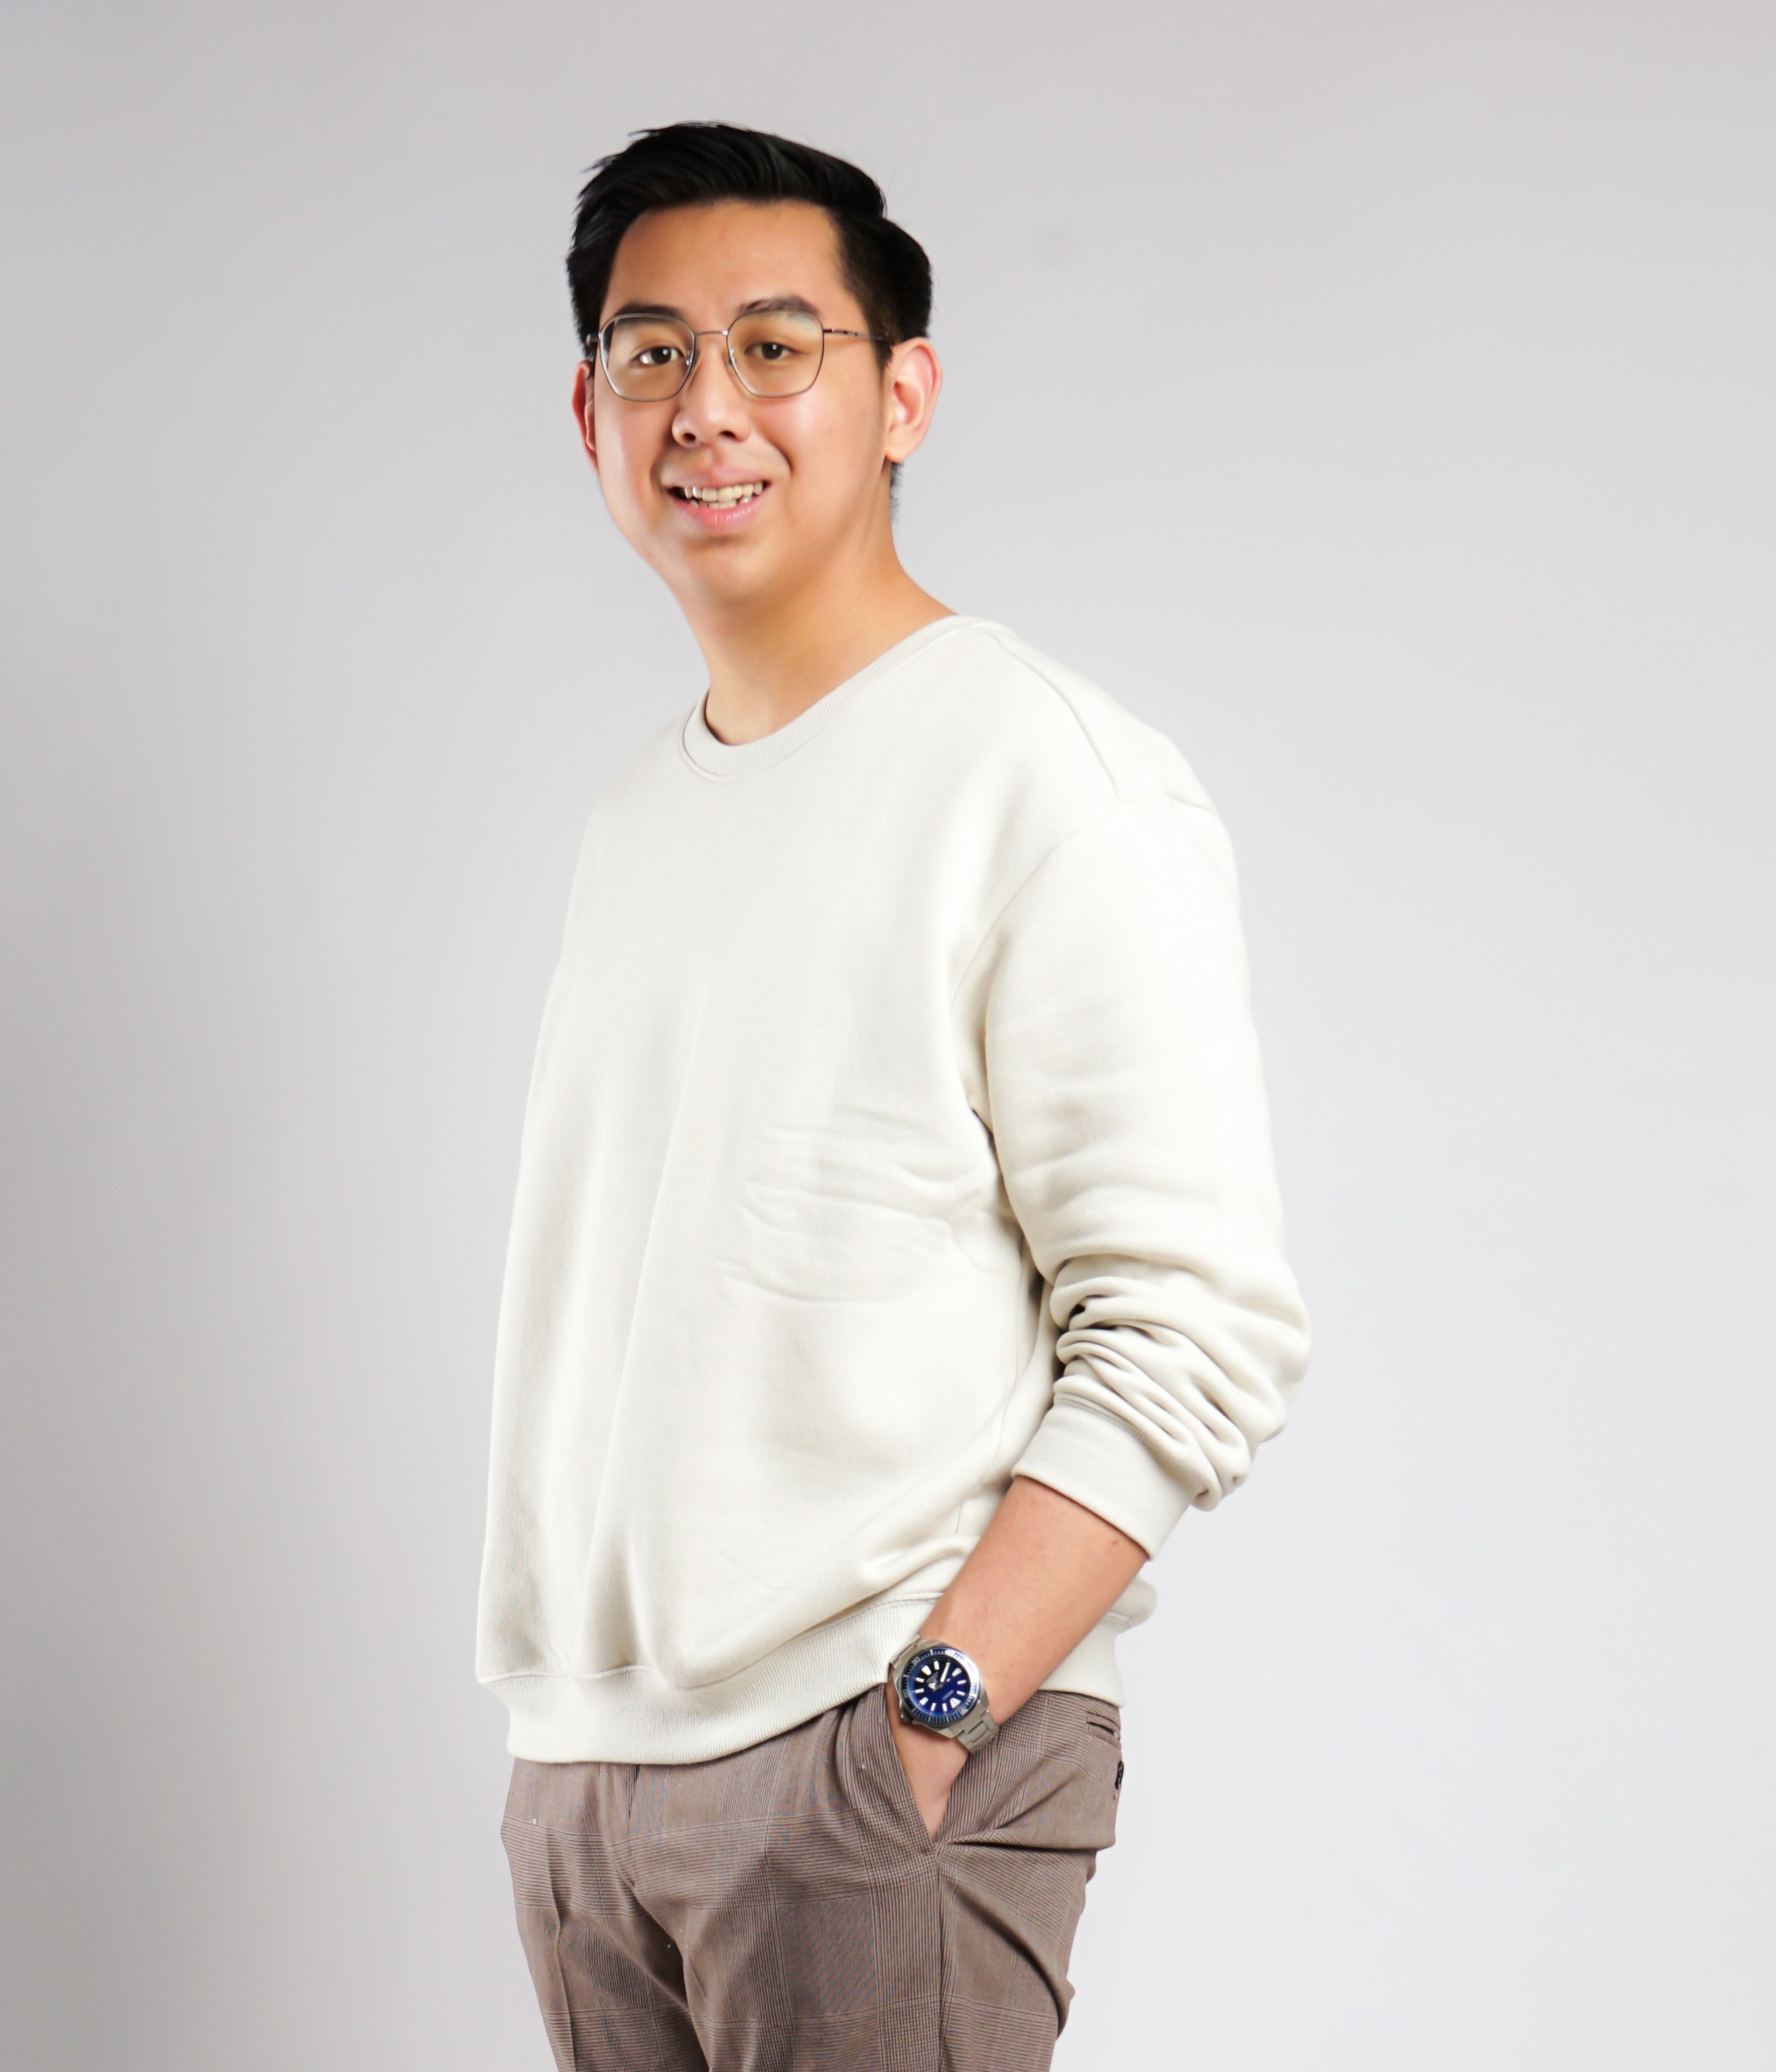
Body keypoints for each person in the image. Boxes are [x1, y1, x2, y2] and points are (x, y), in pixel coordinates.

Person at [477, 122, 1309, 2072]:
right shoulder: (635, 819)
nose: (706, 407)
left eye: (777, 346)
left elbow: (1193, 1323)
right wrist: (560, 1764)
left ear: (899, 392)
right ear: (585, 404)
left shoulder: (1038, 775)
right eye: (648, 351)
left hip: (865, 1763)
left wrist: (934, 1713)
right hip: (588, 1788)